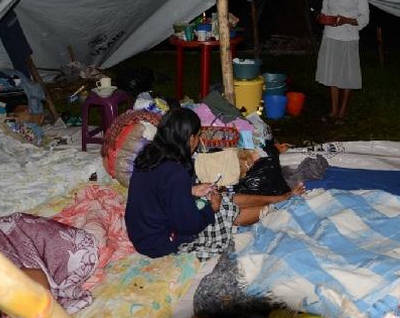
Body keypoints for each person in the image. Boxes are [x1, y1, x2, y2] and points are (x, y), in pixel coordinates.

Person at [125, 107, 305, 260]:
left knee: (220, 197)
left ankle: (278, 198)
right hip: (160, 241)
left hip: (143, 232)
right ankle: (279, 205)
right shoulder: (175, 171)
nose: (198, 140)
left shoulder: (150, 153)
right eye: (197, 135)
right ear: (190, 138)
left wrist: (192, 190)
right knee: (223, 214)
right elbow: (188, 225)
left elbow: (158, 191)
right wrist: (212, 209)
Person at [315, 0, 369, 125]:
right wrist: (321, 18)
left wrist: (345, 20)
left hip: (348, 38)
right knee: (332, 75)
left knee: (346, 75)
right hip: (330, 37)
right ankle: (333, 110)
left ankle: (342, 112)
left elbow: (364, 19)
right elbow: (325, 11)